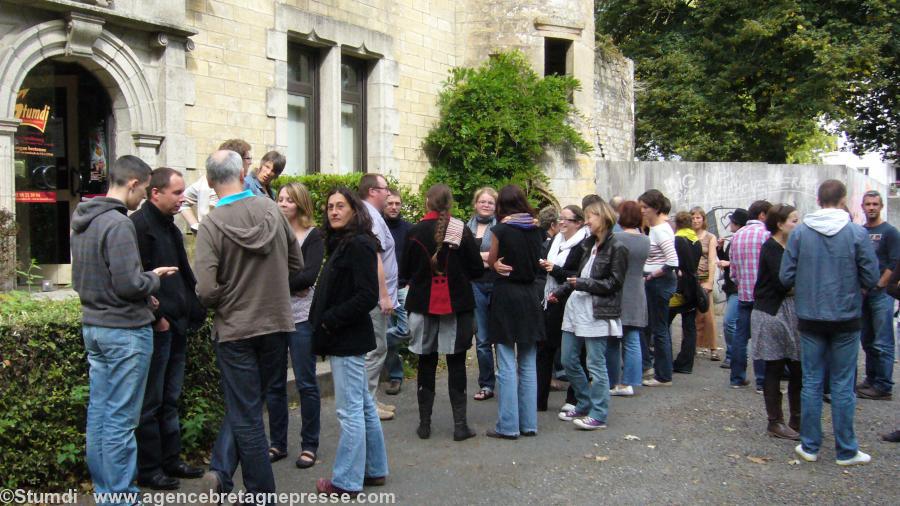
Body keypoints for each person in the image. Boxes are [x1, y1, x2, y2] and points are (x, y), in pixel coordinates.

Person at [195, 150, 302, 497]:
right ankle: (235, 482)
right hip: (276, 323)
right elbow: (297, 263)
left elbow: (205, 290)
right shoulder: (272, 210)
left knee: (246, 415)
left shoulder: (211, 224)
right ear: (243, 175)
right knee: (253, 408)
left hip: (235, 328)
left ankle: (259, 495)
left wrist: (227, 295)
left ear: (210, 181)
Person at [71, 155, 177, 501]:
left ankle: (107, 492)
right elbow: (129, 284)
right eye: (144, 189)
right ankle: (121, 495)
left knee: (100, 414)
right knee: (121, 419)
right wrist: (153, 278)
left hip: (94, 327)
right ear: (132, 184)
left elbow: (87, 279)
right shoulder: (119, 224)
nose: (144, 197)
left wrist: (143, 293)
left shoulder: (83, 220)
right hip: (124, 332)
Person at [780, 179, 879, 466]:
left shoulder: (800, 233)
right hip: (846, 316)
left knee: (811, 381)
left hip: (810, 316)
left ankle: (810, 446)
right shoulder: (856, 233)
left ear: (818, 199)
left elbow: (786, 276)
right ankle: (846, 450)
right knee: (843, 384)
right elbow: (872, 276)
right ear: (843, 199)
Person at [309, 187, 388, 494]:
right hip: (344, 338)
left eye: (340, 206)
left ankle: (346, 481)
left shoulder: (358, 244)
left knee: (350, 410)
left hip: (347, 339)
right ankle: (374, 469)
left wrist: (329, 320)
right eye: (330, 206)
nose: (334, 211)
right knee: (363, 405)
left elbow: (367, 295)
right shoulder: (344, 243)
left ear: (354, 210)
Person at [131, 168, 207, 490]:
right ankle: (150, 468)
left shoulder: (171, 227)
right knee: (151, 401)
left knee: (170, 398)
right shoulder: (138, 227)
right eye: (177, 193)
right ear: (155, 193)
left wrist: (196, 309)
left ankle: (171, 459)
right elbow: (134, 280)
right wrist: (157, 318)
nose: (182, 199)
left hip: (177, 325)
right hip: (158, 327)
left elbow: (184, 273)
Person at [400, 184, 483, 441]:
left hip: (422, 305)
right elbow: (477, 270)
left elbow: (405, 272)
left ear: (427, 202)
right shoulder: (462, 229)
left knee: (426, 363)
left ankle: (424, 425)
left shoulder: (413, 232)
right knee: (457, 363)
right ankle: (460, 426)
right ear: (450, 204)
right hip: (457, 305)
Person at [551, 200, 628, 430]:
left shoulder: (617, 247)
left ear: (602, 217)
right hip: (576, 307)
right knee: (568, 359)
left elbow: (614, 283)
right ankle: (584, 402)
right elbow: (579, 274)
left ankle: (599, 413)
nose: (586, 222)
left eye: (590, 217)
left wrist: (583, 284)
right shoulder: (589, 244)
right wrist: (560, 291)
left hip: (597, 310)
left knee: (596, 364)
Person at [265, 182, 325, 468]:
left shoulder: (313, 235)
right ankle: (278, 443)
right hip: (273, 316)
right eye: (280, 199)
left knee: (306, 382)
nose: (283, 203)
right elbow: (263, 273)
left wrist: (279, 283)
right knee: (274, 384)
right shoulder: (270, 232)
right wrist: (289, 282)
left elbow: (308, 276)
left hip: (301, 317)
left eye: (289, 199)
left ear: (300, 204)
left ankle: (309, 444)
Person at [485, 185, 545, 439]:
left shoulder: (500, 229)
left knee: (507, 362)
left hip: (507, 295)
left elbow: (492, 260)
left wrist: (494, 264)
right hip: (530, 295)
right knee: (528, 363)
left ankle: (508, 425)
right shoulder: (536, 229)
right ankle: (529, 423)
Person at [750, 204, 802, 440]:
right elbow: (784, 283)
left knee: (798, 367)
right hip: (772, 312)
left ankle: (797, 420)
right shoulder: (771, 247)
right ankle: (775, 422)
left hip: (790, 311)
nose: (798, 224)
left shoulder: (791, 247)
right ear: (780, 224)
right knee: (775, 365)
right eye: (794, 220)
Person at [538, 205, 588, 410]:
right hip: (550, 300)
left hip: (572, 300)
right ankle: (539, 400)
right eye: (561, 218)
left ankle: (574, 399)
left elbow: (580, 275)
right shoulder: (555, 241)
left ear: (578, 223)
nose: (562, 222)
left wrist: (555, 270)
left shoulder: (583, 245)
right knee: (544, 349)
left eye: (567, 219)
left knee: (574, 353)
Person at [359, 173, 400, 420]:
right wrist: (384, 295)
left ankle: (370, 399)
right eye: (385, 189)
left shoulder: (372, 215)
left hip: (378, 295)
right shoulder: (371, 217)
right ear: (373, 191)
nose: (388, 193)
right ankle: (367, 405)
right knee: (375, 350)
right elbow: (373, 256)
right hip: (376, 297)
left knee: (378, 347)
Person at [857, 190, 898, 400]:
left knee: (883, 341)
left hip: (881, 294)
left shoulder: (890, 232)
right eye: (868, 204)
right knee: (867, 339)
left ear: (881, 206)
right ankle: (871, 379)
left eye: (875, 204)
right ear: (862, 207)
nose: (871, 207)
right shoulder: (860, 231)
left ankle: (883, 385)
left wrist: (880, 284)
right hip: (863, 293)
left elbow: (895, 262)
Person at [729, 200, 772, 390]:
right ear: (762, 215)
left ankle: (737, 378)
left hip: (744, 293)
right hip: (764, 296)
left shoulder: (737, 236)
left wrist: (741, 283)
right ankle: (762, 381)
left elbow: (733, 272)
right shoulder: (767, 234)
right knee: (761, 338)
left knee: (740, 336)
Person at [638, 190, 679, 387]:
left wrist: (652, 275)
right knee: (658, 328)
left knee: (660, 329)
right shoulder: (655, 228)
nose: (642, 211)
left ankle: (663, 375)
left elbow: (672, 261)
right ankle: (662, 372)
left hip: (659, 283)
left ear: (655, 208)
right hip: (655, 282)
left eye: (645, 207)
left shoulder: (661, 230)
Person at [610, 201, 649, 396]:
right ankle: (631, 382)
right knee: (632, 338)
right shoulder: (645, 240)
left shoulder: (616, 238)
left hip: (619, 290)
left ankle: (613, 381)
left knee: (613, 339)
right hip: (637, 289)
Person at [467, 187, 499, 401]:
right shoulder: (466, 227)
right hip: (475, 285)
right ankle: (486, 384)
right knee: (482, 339)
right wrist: (487, 258)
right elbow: (463, 256)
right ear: (476, 203)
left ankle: (506, 378)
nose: (486, 205)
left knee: (502, 337)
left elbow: (501, 257)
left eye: (490, 202)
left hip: (497, 285)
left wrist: (478, 258)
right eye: (482, 201)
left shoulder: (501, 227)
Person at [181, 138, 249, 232]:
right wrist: (195, 225)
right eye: (247, 158)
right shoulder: (210, 183)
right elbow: (183, 201)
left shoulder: (244, 183)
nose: (250, 162)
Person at [384, 189, 413, 396]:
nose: (394, 207)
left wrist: (411, 283)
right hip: (383, 290)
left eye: (397, 203)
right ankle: (395, 376)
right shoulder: (377, 228)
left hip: (404, 288)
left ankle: (377, 342)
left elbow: (417, 259)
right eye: (390, 203)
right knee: (389, 340)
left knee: (407, 329)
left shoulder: (409, 229)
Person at [670, 211, 702, 374]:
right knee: (689, 327)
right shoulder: (696, 240)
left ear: (677, 224)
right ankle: (686, 363)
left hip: (678, 287)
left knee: (663, 324)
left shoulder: (676, 240)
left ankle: (665, 360)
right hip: (692, 287)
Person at [716, 208, 748, 369]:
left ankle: (734, 356)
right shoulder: (734, 239)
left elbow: (743, 262)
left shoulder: (742, 239)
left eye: (732, 221)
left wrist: (728, 263)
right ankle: (733, 355)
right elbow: (728, 260)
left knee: (730, 322)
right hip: (731, 287)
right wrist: (720, 249)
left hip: (737, 288)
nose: (729, 224)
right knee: (733, 323)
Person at [691, 206, 721, 361]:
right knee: (691, 315)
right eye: (693, 218)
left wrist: (710, 281)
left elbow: (711, 260)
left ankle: (713, 348)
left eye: (698, 217)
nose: (695, 220)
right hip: (691, 279)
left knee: (708, 315)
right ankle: (693, 346)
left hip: (704, 278)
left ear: (703, 219)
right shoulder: (688, 236)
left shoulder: (710, 237)